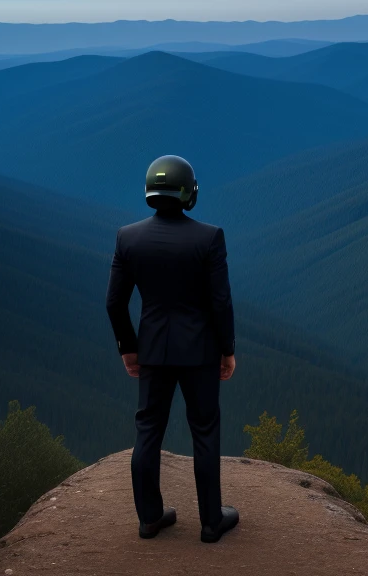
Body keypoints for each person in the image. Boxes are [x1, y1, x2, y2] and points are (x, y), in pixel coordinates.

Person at [105, 155, 240, 543]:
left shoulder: (127, 238)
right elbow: (221, 302)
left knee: (148, 430)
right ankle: (212, 522)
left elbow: (114, 303)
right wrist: (226, 349)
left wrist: (128, 349)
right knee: (205, 431)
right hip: (200, 352)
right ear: (188, 192)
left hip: (152, 351)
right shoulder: (209, 237)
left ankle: (150, 519)